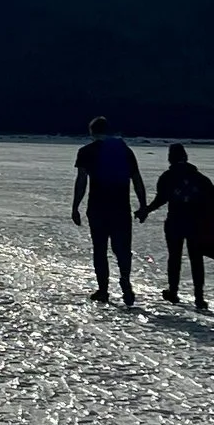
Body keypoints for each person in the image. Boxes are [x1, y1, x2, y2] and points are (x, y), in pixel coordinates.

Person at [70, 115, 149, 307]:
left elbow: (81, 182)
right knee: (122, 249)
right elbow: (137, 179)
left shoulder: (86, 152)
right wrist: (143, 205)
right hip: (121, 207)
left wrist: (75, 207)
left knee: (100, 249)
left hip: (98, 208)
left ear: (91, 132)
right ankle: (125, 281)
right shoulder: (125, 151)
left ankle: (103, 290)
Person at [142, 142, 214, 308]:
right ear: (185, 157)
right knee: (196, 259)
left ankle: (173, 292)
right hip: (196, 223)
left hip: (175, 222)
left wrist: (146, 210)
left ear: (170, 158)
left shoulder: (167, 177)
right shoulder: (199, 177)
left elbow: (161, 199)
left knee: (174, 257)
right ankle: (199, 298)